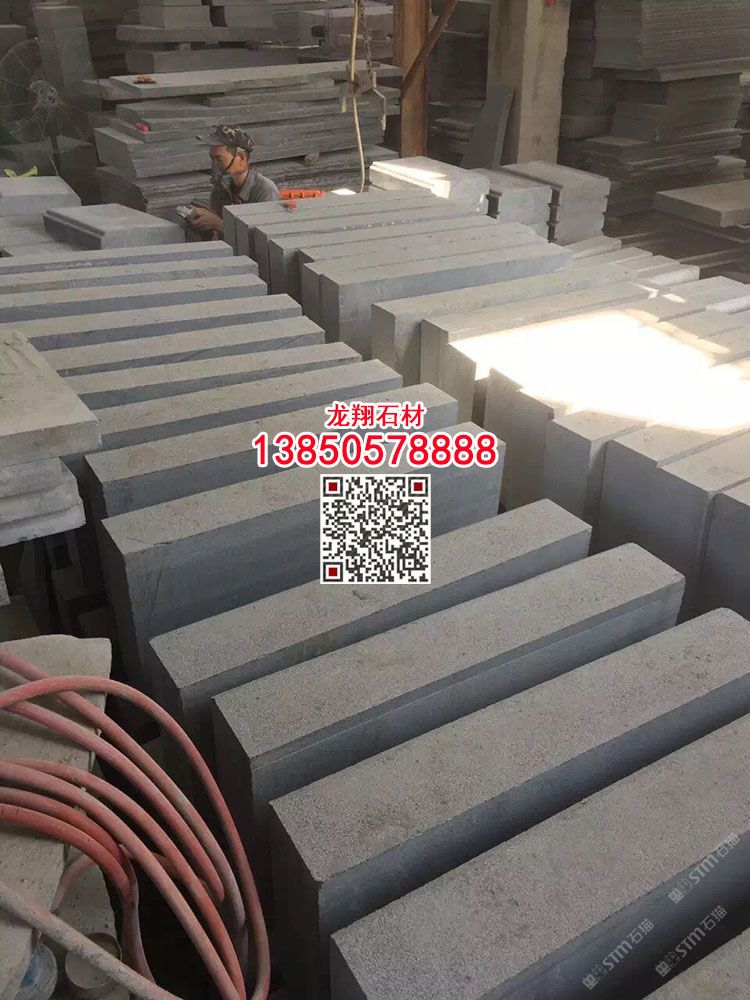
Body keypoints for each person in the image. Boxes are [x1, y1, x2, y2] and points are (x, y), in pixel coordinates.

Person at [188, 125, 280, 236]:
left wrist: (218, 224)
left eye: (220, 159)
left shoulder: (265, 191)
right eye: (212, 159)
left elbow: (265, 238)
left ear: (241, 158)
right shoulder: (221, 189)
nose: (214, 166)